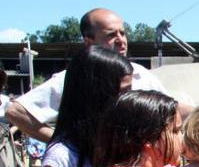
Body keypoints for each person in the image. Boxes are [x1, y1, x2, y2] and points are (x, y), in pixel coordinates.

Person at [5, 8, 171, 142]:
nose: (121, 40)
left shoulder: (140, 73)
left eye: (123, 33)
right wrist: (64, 144)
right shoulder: (71, 79)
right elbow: (16, 112)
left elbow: (173, 108)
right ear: (88, 42)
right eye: (111, 35)